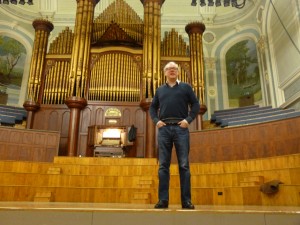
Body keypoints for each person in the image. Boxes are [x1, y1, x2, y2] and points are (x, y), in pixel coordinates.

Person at [149, 61, 200, 209]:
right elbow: (152, 108)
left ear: (178, 72)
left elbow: (196, 105)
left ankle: (186, 201)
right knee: (163, 166)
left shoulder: (186, 87)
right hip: (164, 129)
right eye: (169, 69)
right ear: (165, 73)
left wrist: (188, 120)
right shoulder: (159, 90)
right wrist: (157, 121)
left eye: (174, 69)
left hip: (181, 129)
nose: (172, 71)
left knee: (184, 165)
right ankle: (163, 200)